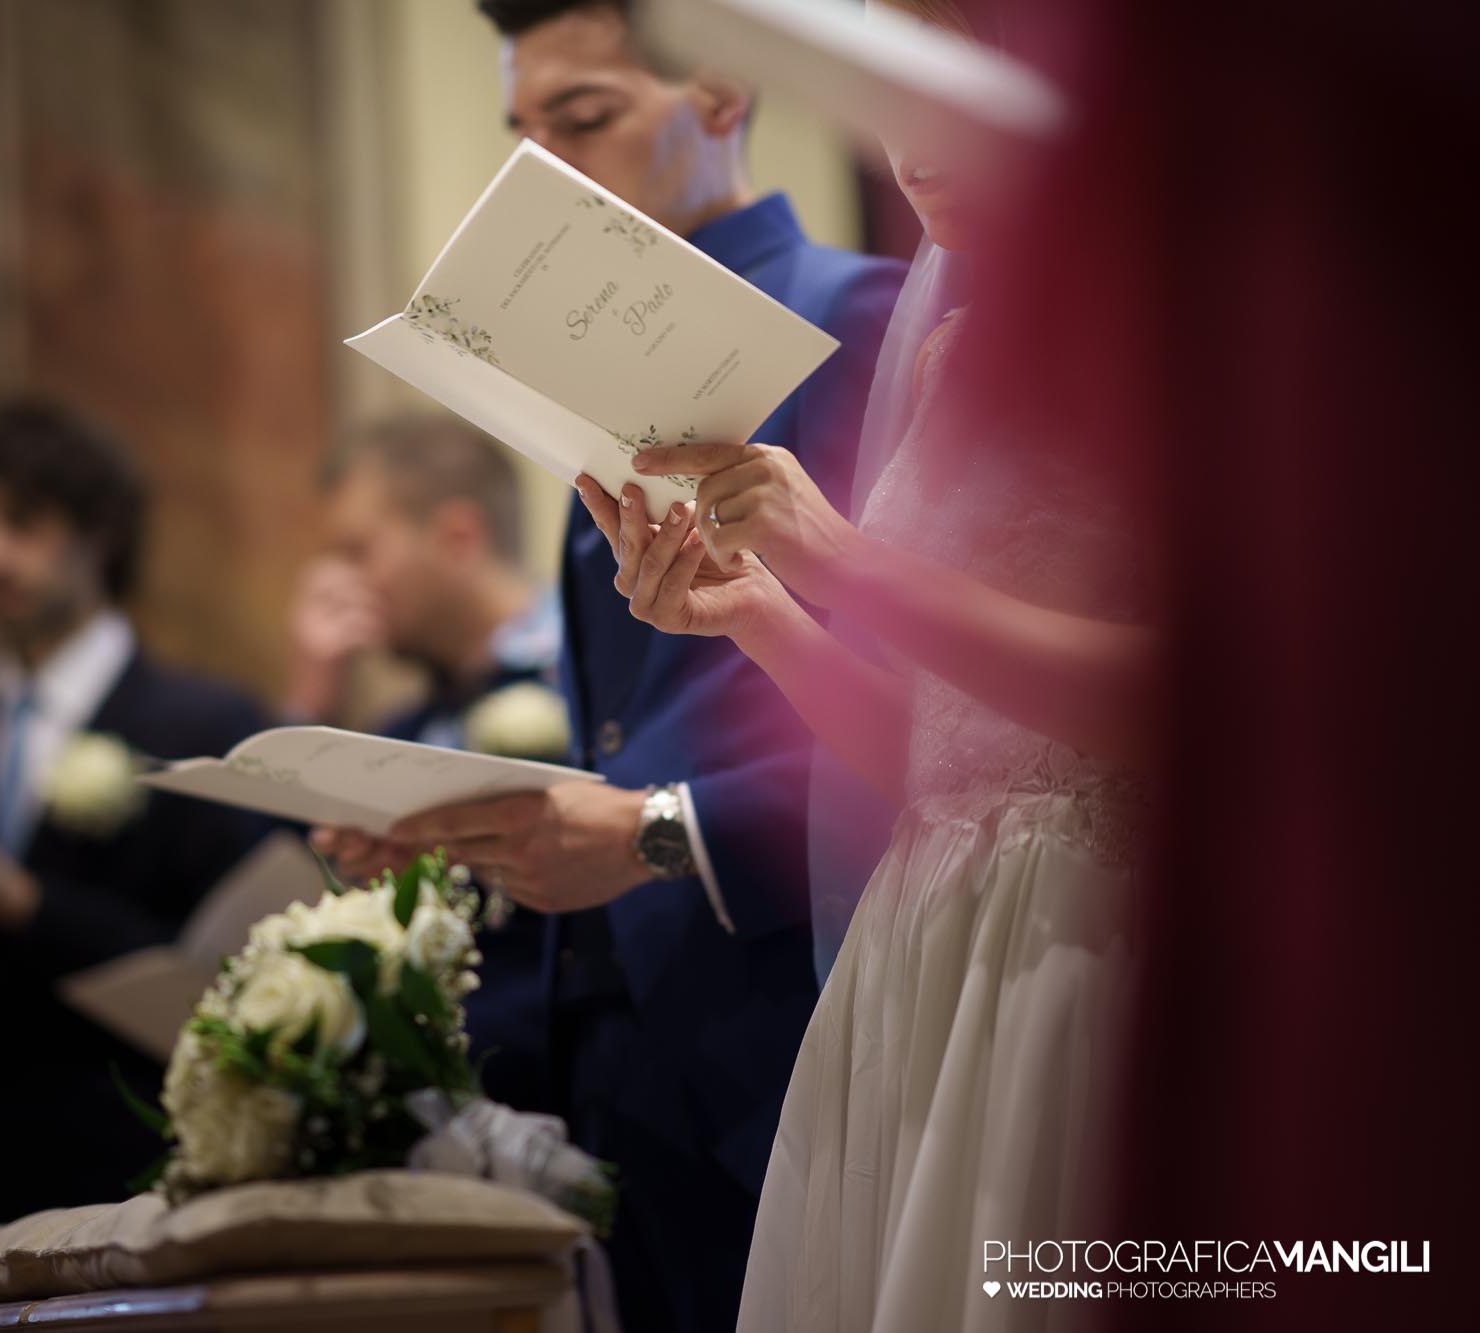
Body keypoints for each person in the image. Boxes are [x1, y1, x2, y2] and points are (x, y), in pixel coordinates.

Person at [317, 3, 905, 1329]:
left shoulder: (856, 318)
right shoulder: (591, 376)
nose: (547, 173)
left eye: (582, 120)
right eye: (522, 134)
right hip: (617, 1044)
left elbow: (917, 720)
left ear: (721, 92)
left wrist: (658, 832)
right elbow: (629, 728)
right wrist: (468, 824)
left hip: (789, 1008)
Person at [581, 2, 1152, 1326]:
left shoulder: (1183, 324)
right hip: (933, 943)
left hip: (1094, 938)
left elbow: (1196, 704)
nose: (909, 144)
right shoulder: (956, 345)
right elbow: (939, 757)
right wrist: (759, 612)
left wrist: (844, 564)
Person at [0, 399, 271, 1257]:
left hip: (135, 1171)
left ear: (99, 528)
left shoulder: (203, 727)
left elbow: (226, 971)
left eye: (21, 522)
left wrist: (33, 906)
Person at [287, 414, 565, 1116]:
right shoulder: (402, 730)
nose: (336, 584)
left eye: (357, 551)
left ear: (457, 537)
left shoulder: (592, 688)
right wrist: (314, 701)